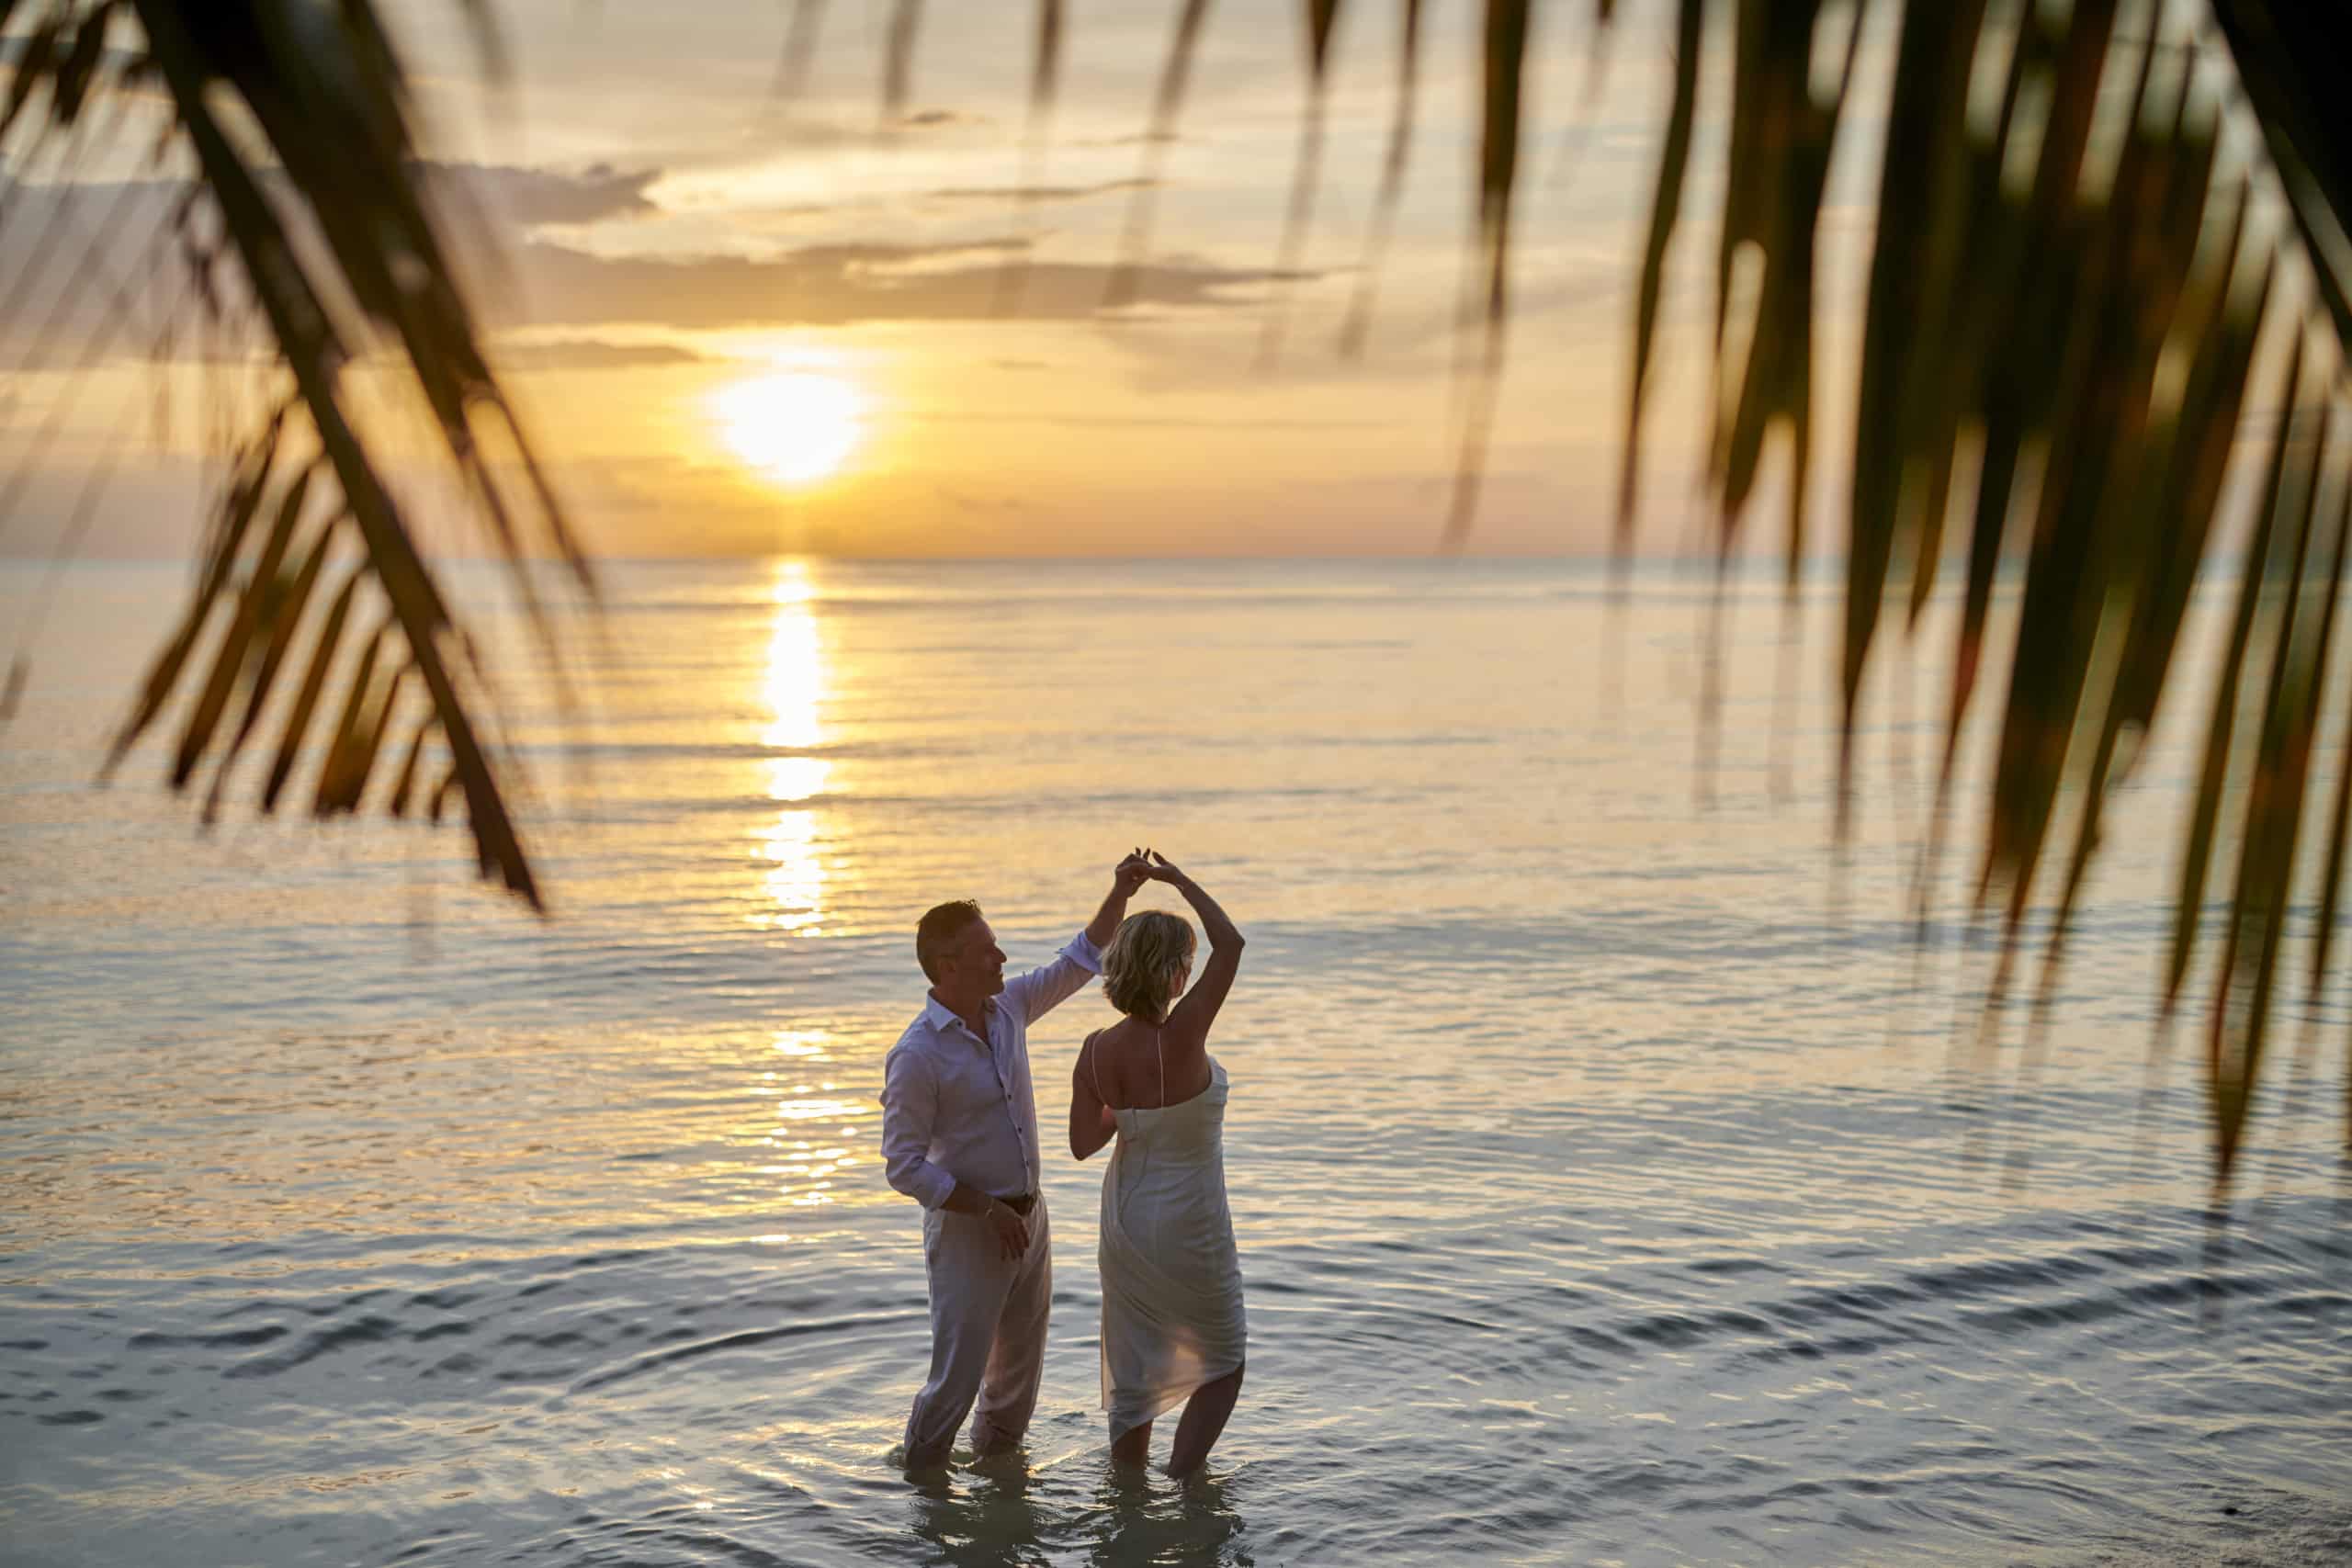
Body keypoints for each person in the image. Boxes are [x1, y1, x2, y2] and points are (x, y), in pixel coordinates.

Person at [880, 851, 1153, 1470]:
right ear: (949, 966)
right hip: (970, 1231)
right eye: (988, 950)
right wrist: (983, 1207)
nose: (1002, 958)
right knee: (955, 1382)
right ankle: (921, 1502)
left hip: (1031, 1221)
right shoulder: (916, 1055)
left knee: (1014, 1391)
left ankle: (997, 1502)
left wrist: (1119, 892)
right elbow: (903, 1165)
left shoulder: (1010, 1008)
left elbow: (1080, 958)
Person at [1069, 850, 1247, 1475]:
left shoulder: (1094, 1053)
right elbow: (1233, 944)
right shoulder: (1186, 1032)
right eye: (1186, 963)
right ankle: (1184, 1478)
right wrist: (1177, 880)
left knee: (1134, 1366)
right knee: (1225, 1358)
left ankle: (1128, 1494)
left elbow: (1083, 1143)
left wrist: (1131, 1114)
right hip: (1192, 1223)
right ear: (1172, 973)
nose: (1192, 972)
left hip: (1126, 1223)